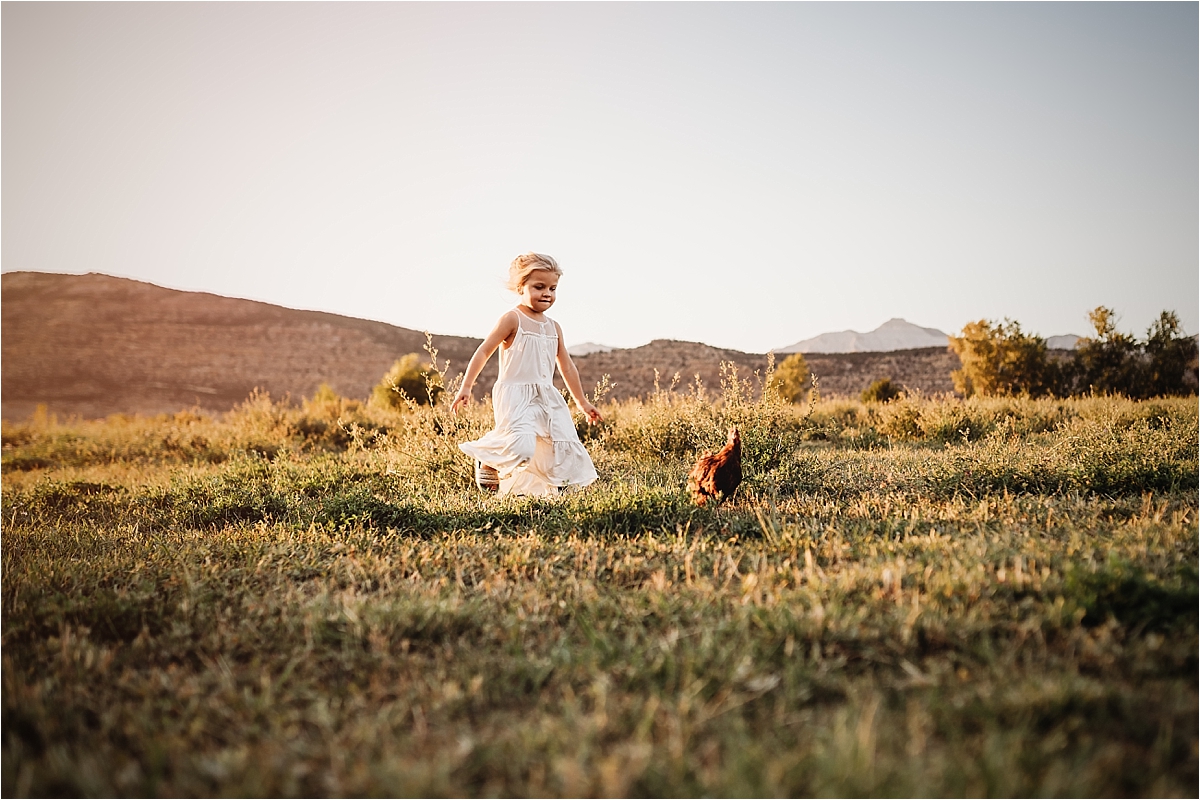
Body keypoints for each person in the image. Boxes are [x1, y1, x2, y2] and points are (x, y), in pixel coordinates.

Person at [451, 252, 601, 497]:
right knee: (521, 447)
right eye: (539, 287)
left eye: (553, 288)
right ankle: (487, 459)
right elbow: (483, 351)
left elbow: (566, 366)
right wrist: (466, 386)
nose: (547, 294)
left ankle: (548, 492)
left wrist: (582, 402)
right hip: (515, 393)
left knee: (559, 446)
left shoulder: (554, 327)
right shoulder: (512, 319)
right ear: (521, 287)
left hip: (547, 395)